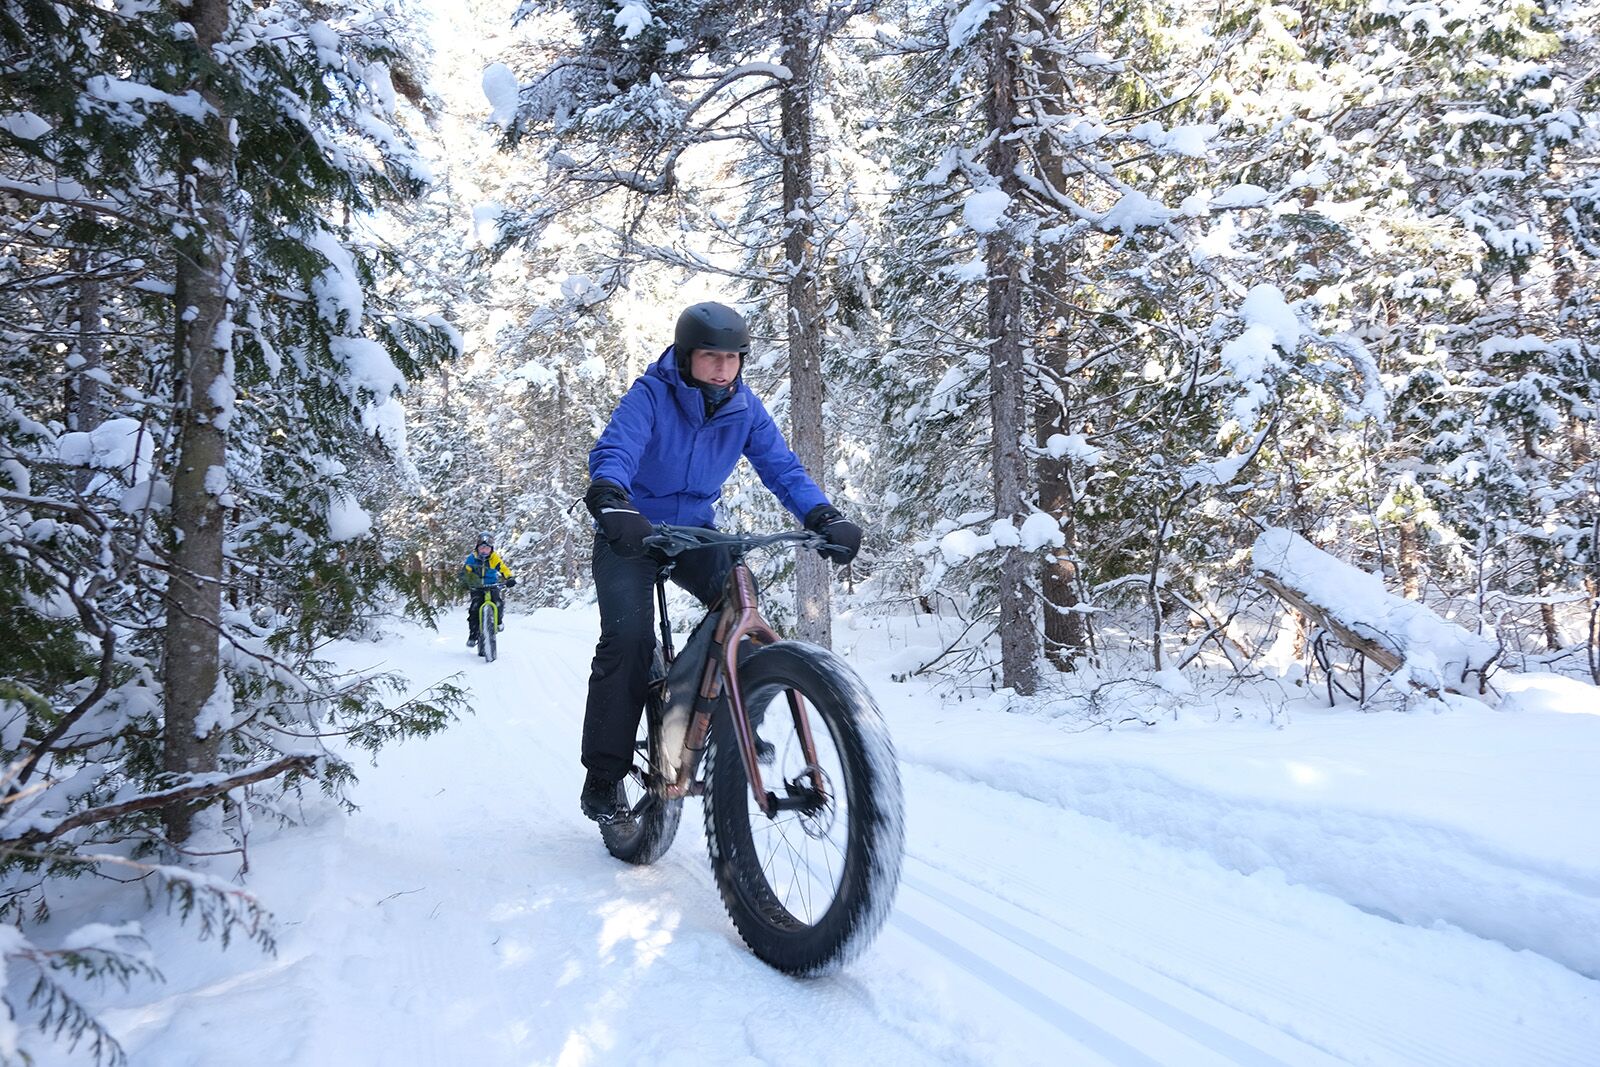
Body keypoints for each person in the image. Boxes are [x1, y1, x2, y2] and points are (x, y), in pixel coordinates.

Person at [578, 301, 862, 823]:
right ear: (686, 357)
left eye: (733, 359)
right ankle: (604, 772)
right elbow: (616, 449)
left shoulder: (743, 407)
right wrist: (612, 498)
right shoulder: (651, 395)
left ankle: (730, 719)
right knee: (629, 641)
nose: (723, 369)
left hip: (692, 533)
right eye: (711, 357)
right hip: (631, 530)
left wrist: (823, 514)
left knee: (743, 609)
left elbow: (782, 469)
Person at [460, 532, 516, 647]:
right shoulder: (472, 559)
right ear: (477, 548)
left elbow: (503, 568)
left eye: (487, 548)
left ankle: (499, 622)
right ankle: (473, 635)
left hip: (492, 585)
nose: (484, 551)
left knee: (499, 603)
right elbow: (466, 571)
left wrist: (509, 577)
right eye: (482, 548)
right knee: (474, 609)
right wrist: (465, 581)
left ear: (491, 549)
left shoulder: (494, 558)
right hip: (477, 587)